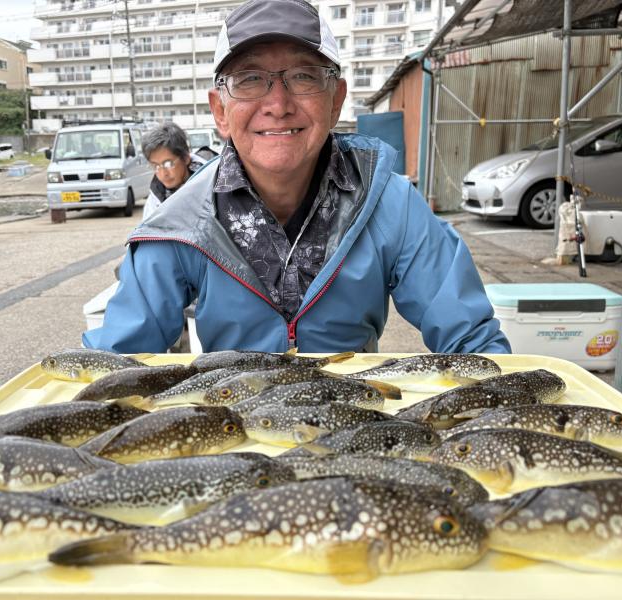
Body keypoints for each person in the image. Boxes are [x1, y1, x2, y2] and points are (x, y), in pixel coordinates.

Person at [83, 0, 510, 355]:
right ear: (219, 111)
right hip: (234, 434)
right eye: (250, 80)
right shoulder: (182, 221)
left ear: (336, 100)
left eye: (303, 76)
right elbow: (119, 361)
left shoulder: (390, 204)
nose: (278, 103)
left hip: (353, 428)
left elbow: (472, 342)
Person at [141, 122, 212, 221]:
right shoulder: (156, 196)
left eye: (168, 164)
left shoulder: (214, 182)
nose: (163, 174)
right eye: (156, 166)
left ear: (186, 158)